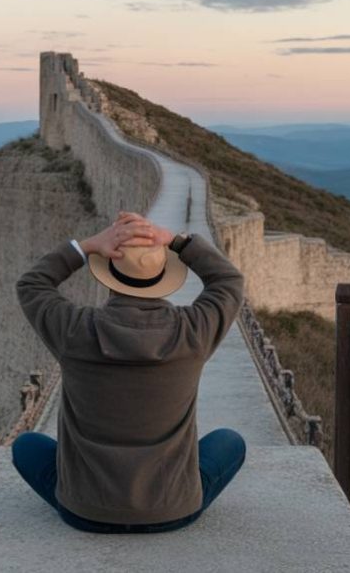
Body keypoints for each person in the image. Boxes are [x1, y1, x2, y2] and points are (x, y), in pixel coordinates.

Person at [12, 210, 247, 533]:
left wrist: (88, 245)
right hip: (172, 510)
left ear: (107, 274)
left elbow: (32, 284)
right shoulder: (193, 333)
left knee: (25, 445)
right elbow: (229, 281)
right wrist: (176, 241)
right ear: (162, 278)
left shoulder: (75, 331)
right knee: (230, 442)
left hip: (85, 511)